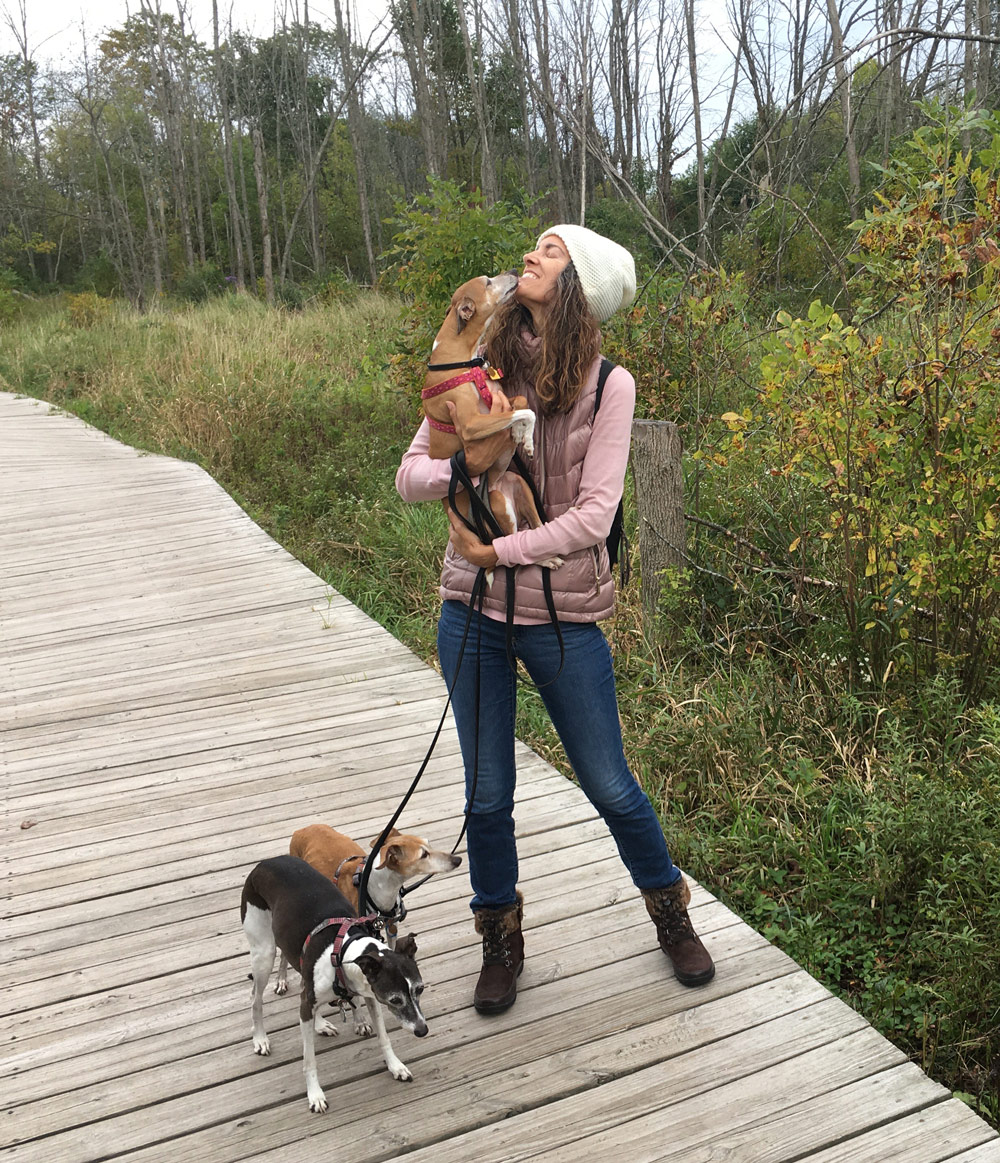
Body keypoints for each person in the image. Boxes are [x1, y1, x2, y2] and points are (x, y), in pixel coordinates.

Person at [395, 224, 715, 1014]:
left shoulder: (612, 387)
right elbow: (409, 478)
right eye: (533, 247)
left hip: (563, 613)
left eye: (551, 251)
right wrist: (462, 465)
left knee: (609, 782)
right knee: (487, 794)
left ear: (580, 287)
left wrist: (505, 554)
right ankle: (500, 939)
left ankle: (669, 912)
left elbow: (597, 513)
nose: (529, 257)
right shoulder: (479, 373)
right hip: (469, 612)